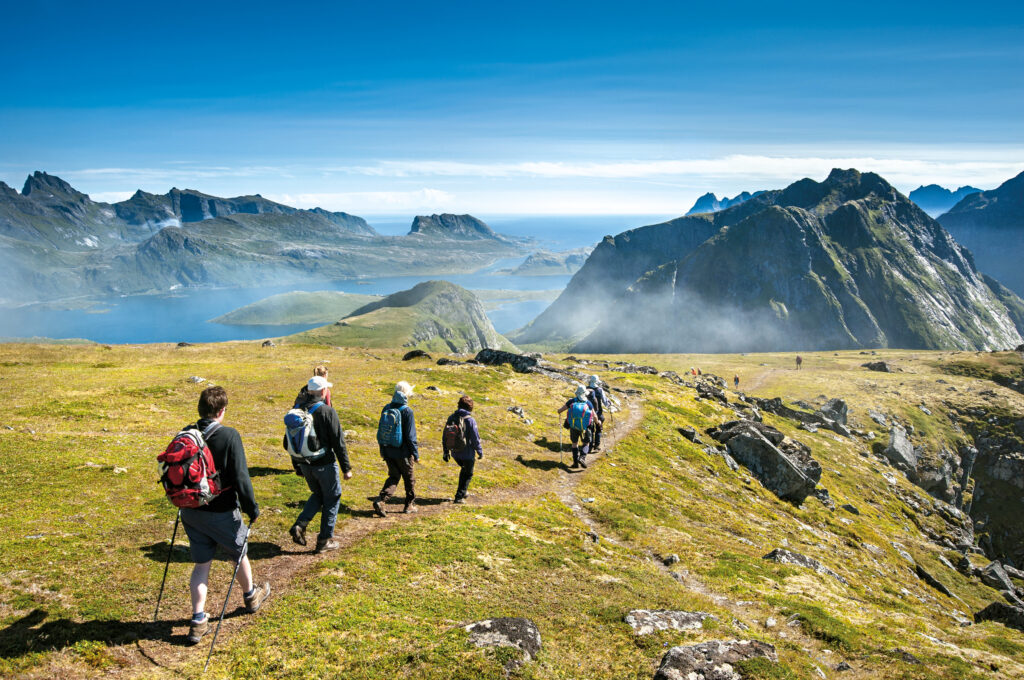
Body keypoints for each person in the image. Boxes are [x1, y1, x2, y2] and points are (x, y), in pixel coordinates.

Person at [180, 386, 270, 645]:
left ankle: (198, 621)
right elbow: (241, 476)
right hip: (221, 511)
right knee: (239, 552)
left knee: (201, 565)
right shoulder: (229, 436)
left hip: (191, 510)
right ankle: (251, 597)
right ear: (221, 411)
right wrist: (251, 507)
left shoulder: (188, 433)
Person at [285, 375, 352, 554]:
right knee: (332, 497)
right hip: (324, 463)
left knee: (318, 493)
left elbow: (288, 441)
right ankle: (324, 540)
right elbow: (338, 442)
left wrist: (297, 466)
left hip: (304, 463)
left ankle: (301, 524)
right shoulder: (326, 411)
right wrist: (346, 468)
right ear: (323, 391)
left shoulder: (296, 410)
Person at [373, 381, 419, 516]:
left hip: (387, 449)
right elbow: (411, 436)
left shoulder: (386, 407)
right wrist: (415, 453)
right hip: (403, 452)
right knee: (409, 478)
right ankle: (409, 504)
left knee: (394, 476)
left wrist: (382, 449)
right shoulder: (407, 411)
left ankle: (381, 500)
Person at [442, 395, 483, 503]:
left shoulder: (452, 417)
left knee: (464, 470)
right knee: (468, 473)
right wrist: (479, 451)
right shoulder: (470, 420)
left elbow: (445, 435)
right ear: (470, 407)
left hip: (455, 452)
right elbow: (475, 438)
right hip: (467, 453)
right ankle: (459, 497)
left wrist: (446, 451)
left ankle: (463, 492)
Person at [557, 384, 596, 469]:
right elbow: (594, 415)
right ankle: (582, 458)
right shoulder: (588, 403)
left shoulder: (572, 401)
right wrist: (598, 422)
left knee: (574, 443)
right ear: (585, 393)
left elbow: (560, 410)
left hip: (574, 426)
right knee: (586, 443)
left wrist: (559, 411)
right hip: (586, 427)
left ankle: (575, 463)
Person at [584, 375, 606, 452]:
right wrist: (609, 405)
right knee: (598, 429)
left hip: (588, 413)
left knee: (590, 429)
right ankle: (596, 446)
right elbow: (605, 401)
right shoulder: (600, 390)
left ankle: (589, 446)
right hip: (598, 412)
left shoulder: (586, 389)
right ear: (597, 381)